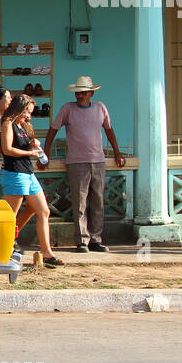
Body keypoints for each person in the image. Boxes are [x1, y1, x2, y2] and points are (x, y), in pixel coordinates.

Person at [43, 75, 125, 253]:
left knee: (98, 201)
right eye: (78, 93)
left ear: (90, 93)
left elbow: (109, 131)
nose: (79, 96)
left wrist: (117, 153)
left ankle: (96, 238)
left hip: (98, 160)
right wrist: (46, 152)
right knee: (79, 202)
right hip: (76, 162)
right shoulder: (68, 109)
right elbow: (53, 129)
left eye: (83, 93)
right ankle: (81, 240)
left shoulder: (100, 108)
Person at [0, 92, 62, 267]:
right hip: (14, 173)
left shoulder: (23, 126)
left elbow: (23, 144)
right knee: (11, 215)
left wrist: (33, 145)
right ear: (19, 109)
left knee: (43, 210)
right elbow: (7, 149)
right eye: (27, 112)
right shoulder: (7, 123)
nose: (29, 116)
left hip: (28, 172)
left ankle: (47, 252)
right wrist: (30, 153)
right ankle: (4, 246)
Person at [0, 86, 33, 242]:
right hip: (12, 166)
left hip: (23, 166)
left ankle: (12, 235)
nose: (10, 100)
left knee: (32, 206)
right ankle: (4, 238)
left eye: (11, 98)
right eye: (7, 97)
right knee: (12, 209)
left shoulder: (14, 119)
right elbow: (4, 147)